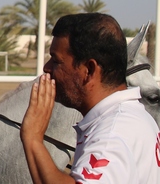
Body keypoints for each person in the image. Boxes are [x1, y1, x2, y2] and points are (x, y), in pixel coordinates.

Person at [20, 13, 160, 183]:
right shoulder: (131, 115)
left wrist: (33, 138)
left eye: (56, 61)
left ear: (89, 70)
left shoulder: (112, 135)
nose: (46, 67)